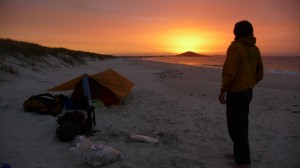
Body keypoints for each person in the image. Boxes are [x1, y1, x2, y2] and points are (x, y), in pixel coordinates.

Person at [218, 20, 264, 168]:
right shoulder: (255, 49)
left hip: (236, 93)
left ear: (236, 33)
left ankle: (244, 163)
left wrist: (223, 90)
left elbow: (229, 73)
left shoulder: (235, 48)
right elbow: (259, 73)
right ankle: (239, 153)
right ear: (251, 32)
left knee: (235, 127)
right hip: (248, 93)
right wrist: (249, 83)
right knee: (242, 125)